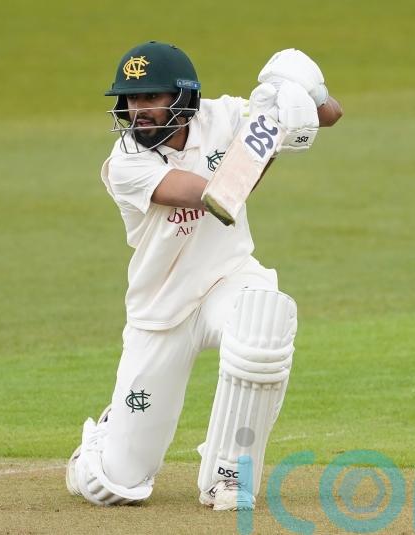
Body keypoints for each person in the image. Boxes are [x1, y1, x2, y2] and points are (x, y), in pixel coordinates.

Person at [65, 41, 342, 510]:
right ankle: (104, 444)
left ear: (185, 98)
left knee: (263, 322)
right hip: (163, 310)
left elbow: (331, 115)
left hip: (226, 278)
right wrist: (268, 133)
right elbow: (219, 195)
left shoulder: (225, 116)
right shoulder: (125, 164)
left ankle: (230, 474)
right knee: (113, 487)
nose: (140, 110)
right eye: (132, 99)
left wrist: (303, 92)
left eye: (152, 97)